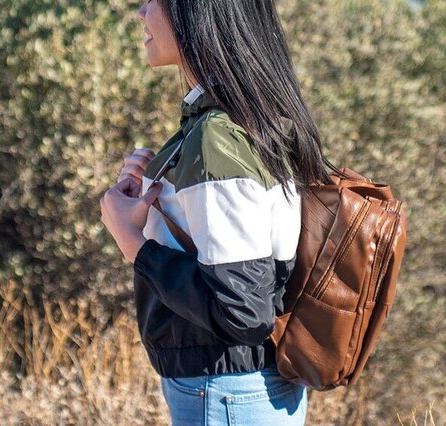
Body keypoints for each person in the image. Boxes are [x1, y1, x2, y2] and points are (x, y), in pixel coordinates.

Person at [99, 1, 335, 424]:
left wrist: (130, 240)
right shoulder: (236, 122)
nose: (141, 13)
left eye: (154, 0)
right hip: (239, 392)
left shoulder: (217, 137)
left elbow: (242, 310)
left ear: (196, 13)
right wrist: (152, 199)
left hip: (227, 395)